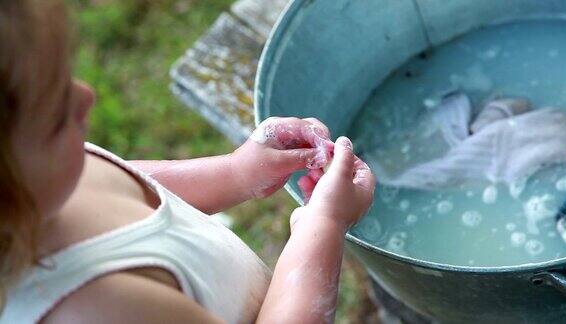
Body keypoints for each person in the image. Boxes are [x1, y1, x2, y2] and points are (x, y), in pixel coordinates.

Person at [0, 1, 376, 323]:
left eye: (66, 79)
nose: (86, 97)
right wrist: (325, 222)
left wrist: (236, 172)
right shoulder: (95, 309)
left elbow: (133, 188)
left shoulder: (44, 185)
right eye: (56, 115)